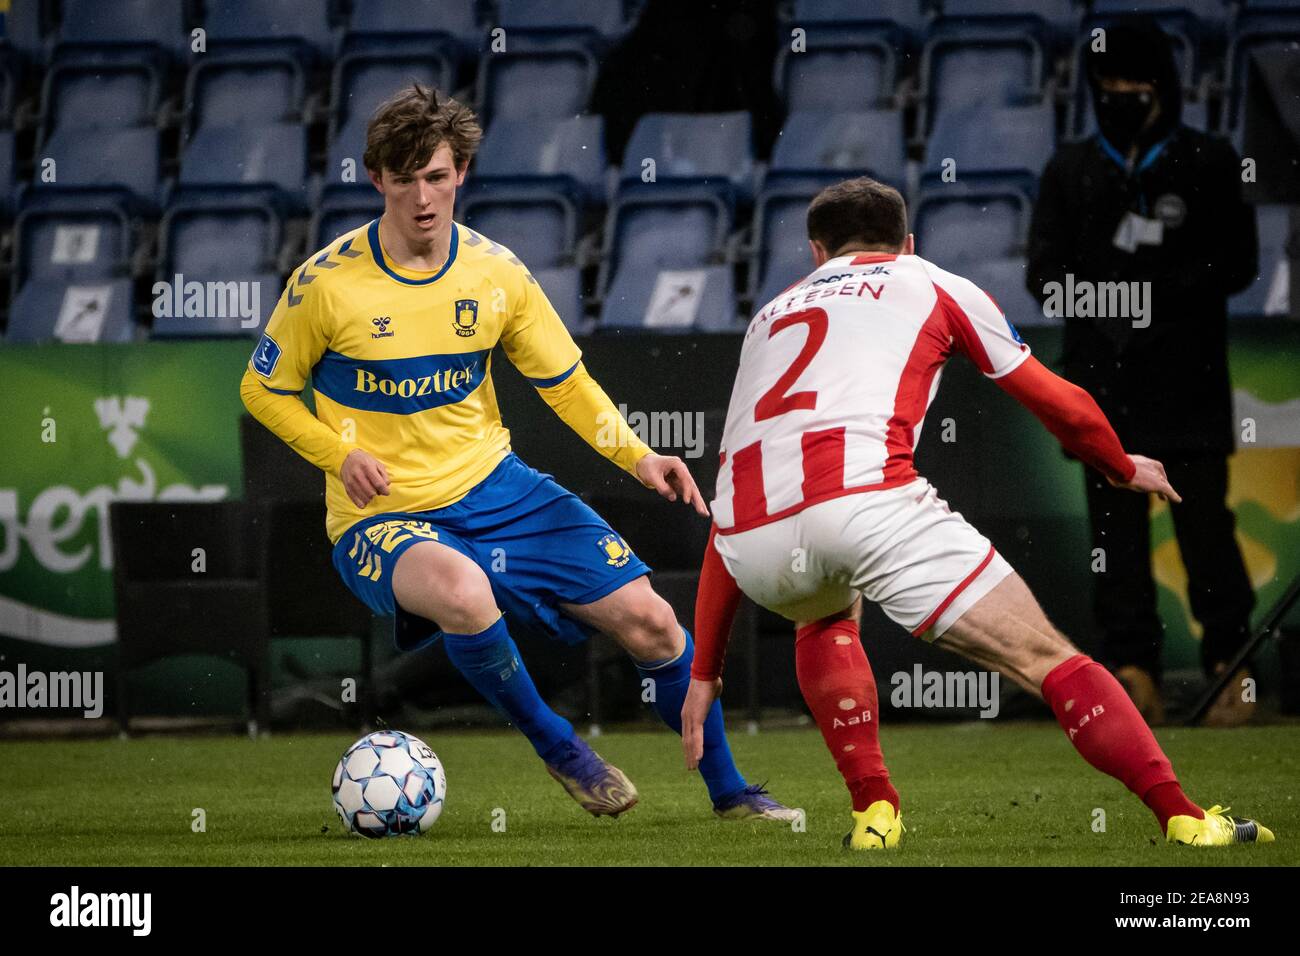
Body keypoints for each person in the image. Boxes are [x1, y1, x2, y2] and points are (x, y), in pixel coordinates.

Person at [241, 84, 794, 822]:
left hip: (498, 489)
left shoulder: (496, 273)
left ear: (460, 171)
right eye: (402, 179)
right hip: (384, 514)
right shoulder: (326, 286)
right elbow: (262, 389)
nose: (422, 198)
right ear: (377, 180)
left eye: (435, 176)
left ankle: (732, 796)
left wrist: (639, 457)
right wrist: (337, 455)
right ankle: (559, 746)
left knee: (656, 623)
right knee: (466, 594)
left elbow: (566, 384)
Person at [680, 176, 1273, 850]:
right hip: (866, 506)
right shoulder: (931, 282)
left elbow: (728, 501)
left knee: (821, 615)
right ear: (908, 241)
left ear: (817, 252)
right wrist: (1119, 464)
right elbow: (1059, 401)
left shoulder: (767, 318)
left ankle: (875, 813)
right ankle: (1187, 820)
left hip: (752, 546)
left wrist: (705, 674)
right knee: (1046, 658)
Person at [1026, 17, 1260, 725]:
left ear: (1163, 86)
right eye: (1107, 85)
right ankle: (1131, 670)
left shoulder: (1210, 160)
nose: (1119, 94)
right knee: (1114, 539)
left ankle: (1231, 666)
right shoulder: (1070, 170)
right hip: (1103, 387)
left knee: (1206, 531)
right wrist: (1110, 307)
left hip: (1188, 385)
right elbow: (1044, 275)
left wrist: (1158, 298)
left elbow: (1239, 264)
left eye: (1134, 83)